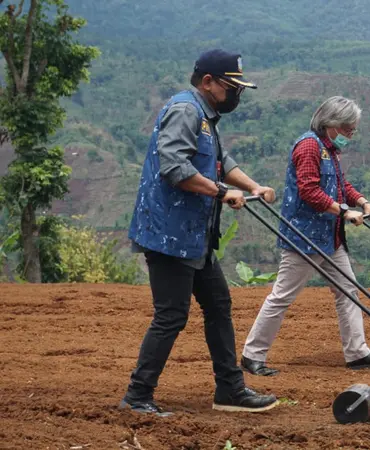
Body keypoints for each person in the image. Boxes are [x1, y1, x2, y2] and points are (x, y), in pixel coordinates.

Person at [121, 50, 278, 416]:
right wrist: (223, 193)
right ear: (207, 82)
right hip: (169, 235)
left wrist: (253, 187)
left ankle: (230, 390)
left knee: (219, 305)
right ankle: (137, 396)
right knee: (171, 315)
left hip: (194, 236)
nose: (235, 94)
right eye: (230, 86)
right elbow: (174, 166)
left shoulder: (206, 116)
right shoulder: (186, 111)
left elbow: (222, 164)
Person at [241, 96, 370, 376]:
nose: (351, 135)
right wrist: (344, 212)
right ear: (331, 125)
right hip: (303, 238)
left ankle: (357, 352)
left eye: (353, 130)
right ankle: (252, 355)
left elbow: (341, 185)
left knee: (348, 291)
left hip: (329, 237)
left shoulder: (329, 149)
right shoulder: (309, 146)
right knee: (282, 296)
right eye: (348, 129)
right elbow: (309, 191)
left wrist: (363, 203)